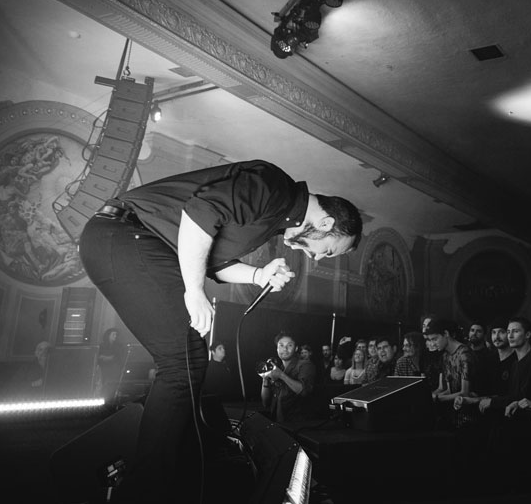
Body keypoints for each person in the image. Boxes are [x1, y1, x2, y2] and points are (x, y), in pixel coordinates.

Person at [77, 159, 362, 504]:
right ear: (326, 223)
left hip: (136, 242)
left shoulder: (273, 218)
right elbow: (200, 213)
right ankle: (143, 493)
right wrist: (194, 291)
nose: (316, 258)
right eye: (327, 250)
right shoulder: (275, 187)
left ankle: (176, 474)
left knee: (187, 360)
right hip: (124, 234)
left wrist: (258, 276)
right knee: (182, 361)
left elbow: (213, 261)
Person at [261, 331, 316, 423]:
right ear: (277, 349)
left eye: (289, 345)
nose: (285, 349)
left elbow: (304, 391)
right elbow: (265, 403)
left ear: (296, 348)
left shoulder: (306, 365)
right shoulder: (278, 368)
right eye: (281, 345)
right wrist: (265, 379)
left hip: (297, 424)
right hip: (277, 423)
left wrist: (281, 375)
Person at [97, 327, 128, 403]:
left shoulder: (119, 346)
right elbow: (99, 357)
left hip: (115, 371)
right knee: (103, 386)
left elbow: (117, 358)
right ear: (108, 335)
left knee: (112, 386)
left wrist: (106, 358)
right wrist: (106, 358)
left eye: (116, 335)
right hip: (104, 370)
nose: (115, 336)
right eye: (113, 334)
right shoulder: (102, 345)